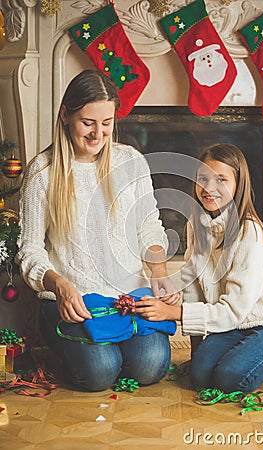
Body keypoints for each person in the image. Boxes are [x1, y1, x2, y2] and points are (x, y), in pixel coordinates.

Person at [16, 69, 178, 392]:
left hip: (126, 297)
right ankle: (70, 350)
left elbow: (149, 226)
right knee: (100, 373)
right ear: (65, 115)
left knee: (151, 365)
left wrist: (159, 272)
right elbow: (30, 250)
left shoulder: (129, 161)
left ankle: (108, 344)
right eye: (88, 123)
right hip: (71, 301)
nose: (98, 134)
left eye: (107, 124)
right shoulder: (42, 172)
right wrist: (59, 285)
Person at [136, 143, 263, 393]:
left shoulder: (249, 233)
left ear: (238, 185)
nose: (209, 188)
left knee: (230, 378)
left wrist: (172, 312)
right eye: (202, 178)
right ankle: (234, 357)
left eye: (221, 180)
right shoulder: (197, 225)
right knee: (200, 376)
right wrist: (197, 354)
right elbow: (194, 286)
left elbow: (234, 311)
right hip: (232, 325)